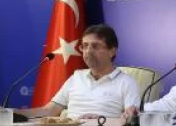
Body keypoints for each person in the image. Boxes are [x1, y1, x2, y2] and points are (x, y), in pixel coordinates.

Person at [10, 24, 140, 119]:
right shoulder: (76, 77)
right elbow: (50, 110)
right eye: (85, 46)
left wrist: (102, 121)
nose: (88, 51)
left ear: (112, 51)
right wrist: (13, 113)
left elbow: (131, 119)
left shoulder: (127, 82)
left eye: (95, 46)